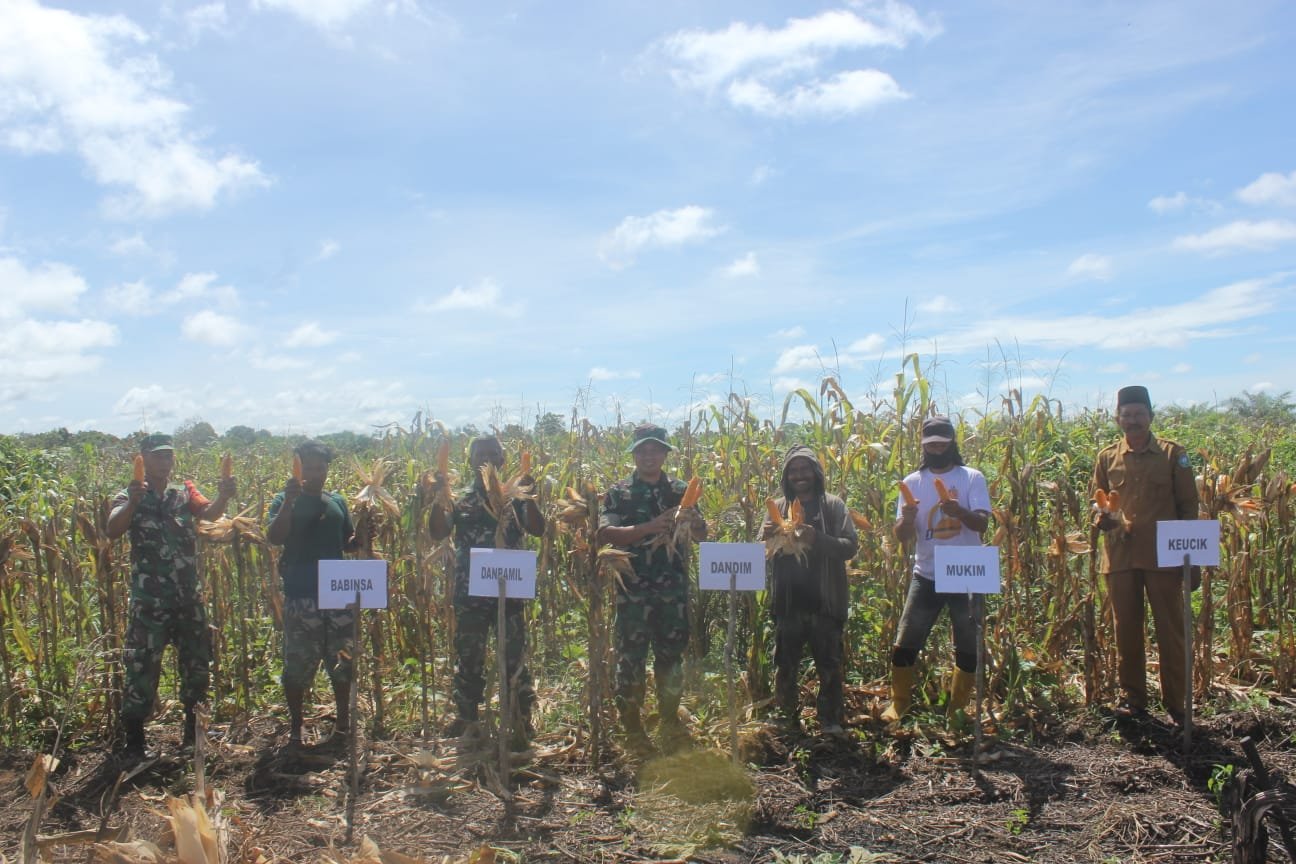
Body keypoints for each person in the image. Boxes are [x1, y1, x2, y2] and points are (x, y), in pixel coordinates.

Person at [107, 433, 235, 759]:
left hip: (188, 599)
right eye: (158, 456)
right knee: (142, 667)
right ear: (142, 459)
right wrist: (133, 503)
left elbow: (209, 514)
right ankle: (135, 742)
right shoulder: (128, 494)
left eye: (168, 456)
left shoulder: (183, 492)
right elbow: (112, 529)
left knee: (196, 666)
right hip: (150, 602)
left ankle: (193, 734)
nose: (165, 461)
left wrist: (224, 496)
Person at [1092, 385, 1199, 725]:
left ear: (1151, 416)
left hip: (1164, 557)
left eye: (1139, 414)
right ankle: (1134, 700)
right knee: (1126, 631)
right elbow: (1097, 503)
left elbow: (1188, 506)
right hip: (1121, 558)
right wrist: (1103, 520)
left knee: (1171, 630)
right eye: (1127, 415)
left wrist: (1191, 560)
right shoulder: (1107, 457)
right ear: (1117, 419)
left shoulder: (1172, 454)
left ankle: (1177, 704)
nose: (1133, 420)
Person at [428, 436, 545, 746]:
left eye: (493, 454)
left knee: (514, 654)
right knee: (469, 655)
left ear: (503, 460)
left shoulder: (516, 497)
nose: (487, 460)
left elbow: (538, 529)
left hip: (510, 590)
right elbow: (438, 532)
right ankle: (467, 717)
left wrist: (531, 497)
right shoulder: (460, 498)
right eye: (480, 455)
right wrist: (439, 496)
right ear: (470, 461)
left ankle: (520, 718)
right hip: (471, 592)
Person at [597, 423, 706, 754]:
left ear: (665, 454)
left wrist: (695, 523)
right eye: (642, 450)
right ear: (634, 454)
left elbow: (701, 535)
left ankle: (669, 721)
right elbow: (605, 533)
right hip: (632, 591)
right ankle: (632, 727)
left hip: (672, 591)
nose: (649, 456)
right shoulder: (619, 492)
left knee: (671, 658)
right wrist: (650, 527)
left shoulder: (680, 490)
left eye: (655, 450)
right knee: (630, 658)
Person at [883, 415, 991, 723]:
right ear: (923, 446)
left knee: (968, 643)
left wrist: (960, 512)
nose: (937, 449)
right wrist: (907, 518)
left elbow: (982, 524)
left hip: (966, 569)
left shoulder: (971, 477)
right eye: (931, 444)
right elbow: (902, 536)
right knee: (906, 639)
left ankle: (957, 711)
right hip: (927, 572)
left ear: (952, 443)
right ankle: (899, 703)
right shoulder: (912, 483)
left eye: (942, 443)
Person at [267, 439, 362, 747]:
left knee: (342, 662)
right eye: (308, 468)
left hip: (337, 593)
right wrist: (289, 503)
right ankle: (297, 727)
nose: (314, 474)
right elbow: (275, 537)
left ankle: (343, 724)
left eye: (320, 468)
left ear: (327, 469)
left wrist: (362, 537)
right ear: (298, 469)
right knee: (297, 664)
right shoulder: (283, 500)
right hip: (302, 594)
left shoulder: (336, 501)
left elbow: (347, 543)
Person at [760, 445, 859, 736]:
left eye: (805, 469)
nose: (799, 475)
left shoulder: (833, 506)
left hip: (825, 602)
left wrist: (816, 538)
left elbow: (849, 547)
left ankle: (830, 721)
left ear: (816, 472)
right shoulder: (778, 507)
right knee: (785, 665)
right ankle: (785, 719)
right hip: (788, 602)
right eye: (793, 470)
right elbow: (762, 550)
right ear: (786, 475)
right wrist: (767, 537)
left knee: (829, 665)